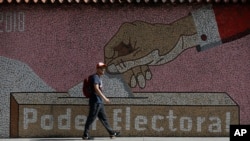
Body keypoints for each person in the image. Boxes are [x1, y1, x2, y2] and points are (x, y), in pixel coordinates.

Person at [82, 62, 120, 140]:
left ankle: (111, 133)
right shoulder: (95, 77)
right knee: (91, 118)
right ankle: (85, 135)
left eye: (104, 68)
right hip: (95, 101)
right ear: (97, 69)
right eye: (101, 68)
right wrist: (105, 98)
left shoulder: (98, 77)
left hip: (99, 102)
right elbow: (96, 89)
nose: (103, 70)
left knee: (104, 118)